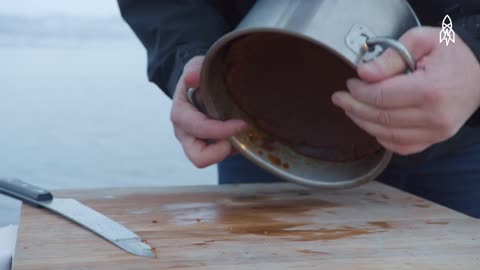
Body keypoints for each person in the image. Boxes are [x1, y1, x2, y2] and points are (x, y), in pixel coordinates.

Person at [118, 1, 480, 218]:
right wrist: (192, 56)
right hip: (261, 129)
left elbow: (454, 19)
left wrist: (469, 49)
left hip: (462, 134)